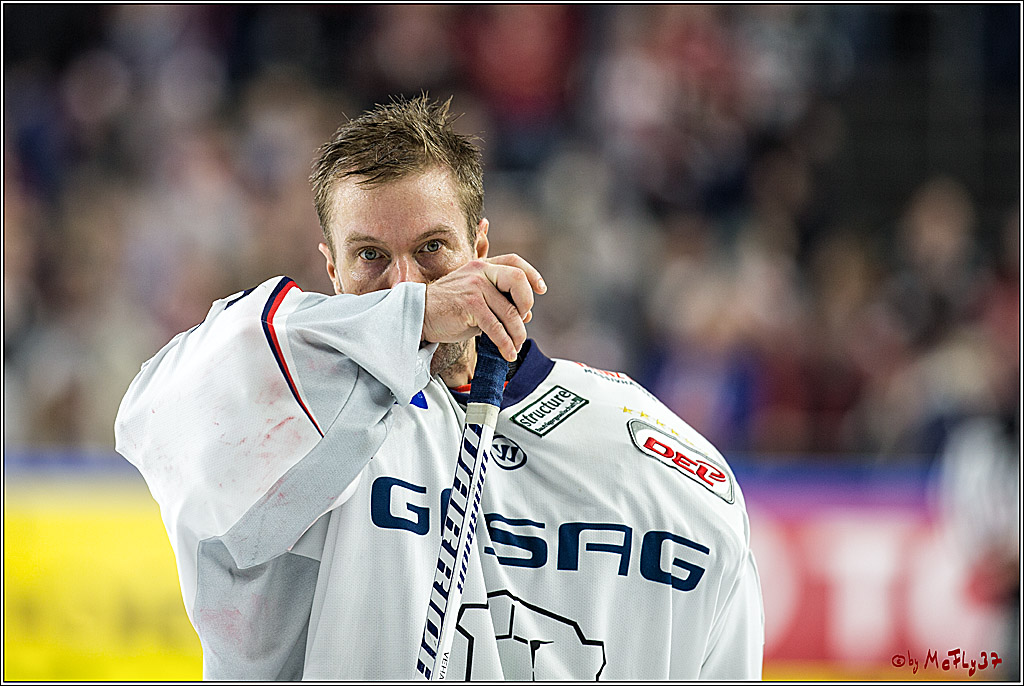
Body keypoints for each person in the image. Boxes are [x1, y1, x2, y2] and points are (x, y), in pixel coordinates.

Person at [114, 94, 764, 680]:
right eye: (370, 256)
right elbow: (161, 410)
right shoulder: (299, 429)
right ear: (331, 270)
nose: (404, 282)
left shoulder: (663, 465)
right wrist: (416, 319)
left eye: (432, 248)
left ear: (480, 247)